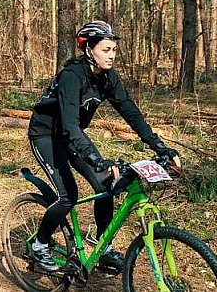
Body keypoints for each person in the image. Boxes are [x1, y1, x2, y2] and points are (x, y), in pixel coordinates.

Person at [25, 20, 181, 274]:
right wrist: (96, 158)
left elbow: (131, 113)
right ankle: (39, 244)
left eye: (114, 50)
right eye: (106, 50)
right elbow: (70, 124)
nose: (111, 55)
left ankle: (103, 247)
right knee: (68, 196)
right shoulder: (72, 76)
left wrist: (159, 146)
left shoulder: (108, 77)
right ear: (89, 50)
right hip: (46, 135)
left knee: (106, 186)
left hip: (71, 136)